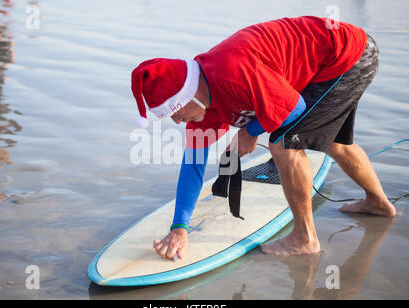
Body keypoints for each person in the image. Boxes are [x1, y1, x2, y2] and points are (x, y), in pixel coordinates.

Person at [130, 16, 396, 259]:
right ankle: (378, 204)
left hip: (345, 56)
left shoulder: (233, 73)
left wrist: (249, 132)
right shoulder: (202, 108)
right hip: (330, 59)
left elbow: (294, 110)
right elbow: (193, 165)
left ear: (190, 94)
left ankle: (305, 238)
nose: (176, 120)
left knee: (282, 143)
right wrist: (179, 227)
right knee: (333, 142)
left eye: (175, 111)